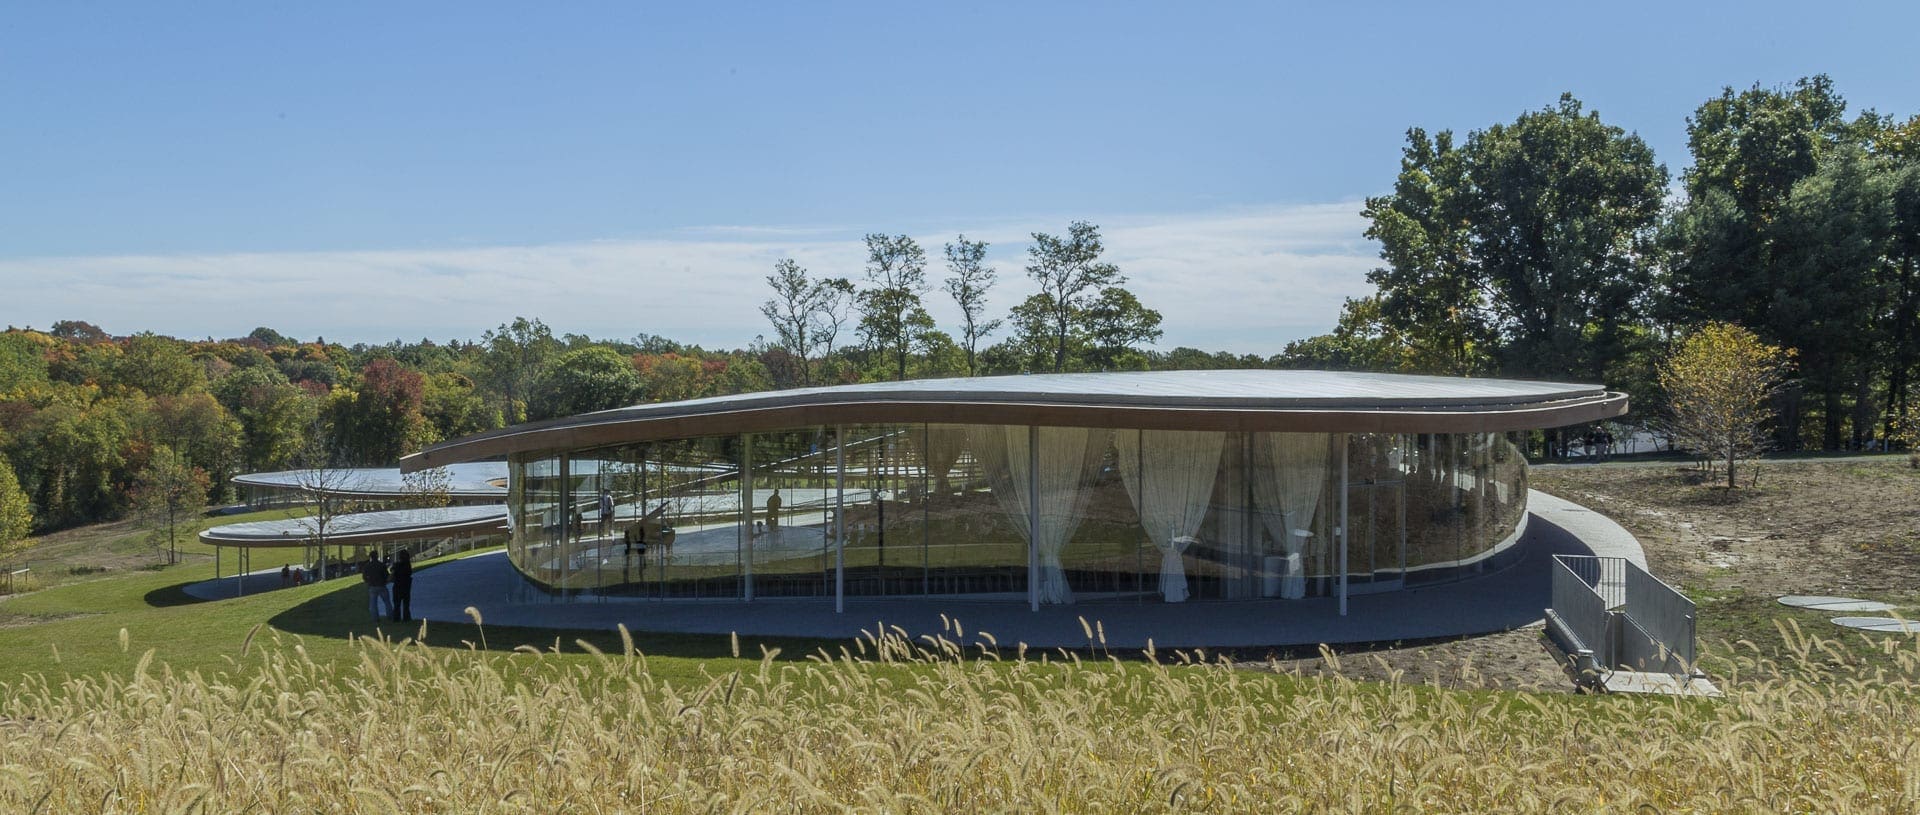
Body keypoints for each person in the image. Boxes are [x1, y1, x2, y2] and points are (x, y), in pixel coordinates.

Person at [361, 552, 391, 621]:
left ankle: (375, 618)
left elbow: (364, 576)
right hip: (382, 585)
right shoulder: (381, 565)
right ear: (377, 556)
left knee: (373, 604)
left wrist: (368, 582)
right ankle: (390, 616)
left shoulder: (367, 566)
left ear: (370, 557)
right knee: (387, 602)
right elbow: (387, 575)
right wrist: (385, 581)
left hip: (372, 586)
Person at [390, 550, 414, 622]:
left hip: (397, 586)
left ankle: (396, 618)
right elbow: (410, 573)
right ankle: (406, 618)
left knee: (397, 604)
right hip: (406, 586)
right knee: (406, 604)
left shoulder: (396, 565)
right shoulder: (408, 565)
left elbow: (392, 570)